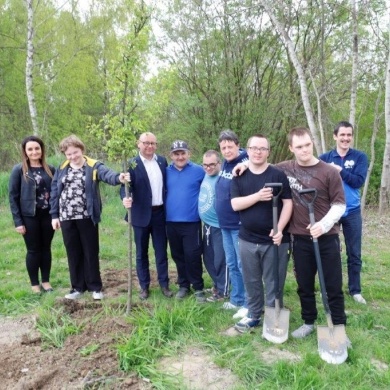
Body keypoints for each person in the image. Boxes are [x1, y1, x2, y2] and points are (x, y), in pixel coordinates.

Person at [234, 127, 347, 338]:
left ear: (312, 143)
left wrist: (323, 224)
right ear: (291, 148)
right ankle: (308, 321)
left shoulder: (329, 172)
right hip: (300, 237)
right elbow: (261, 164)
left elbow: (340, 205)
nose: (304, 150)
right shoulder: (285, 168)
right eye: (299, 146)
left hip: (327, 236)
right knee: (304, 284)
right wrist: (243, 164)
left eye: (307, 145)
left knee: (332, 285)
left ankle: (338, 328)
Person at [50, 135, 128, 300]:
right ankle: (77, 287)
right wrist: (54, 215)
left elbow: (108, 175)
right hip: (66, 218)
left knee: (90, 251)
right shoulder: (62, 167)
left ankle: (95, 287)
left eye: (75, 152)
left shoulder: (93, 166)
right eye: (69, 154)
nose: (72, 157)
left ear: (82, 150)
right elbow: (55, 192)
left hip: (87, 217)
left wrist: (119, 177)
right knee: (73, 252)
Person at [230, 134, 293, 333]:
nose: (258, 152)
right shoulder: (239, 175)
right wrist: (258, 196)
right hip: (247, 239)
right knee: (251, 279)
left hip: (275, 240)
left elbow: (288, 203)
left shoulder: (277, 175)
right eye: (254, 148)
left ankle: (274, 314)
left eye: (263, 148)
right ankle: (254, 314)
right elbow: (235, 204)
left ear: (268, 152)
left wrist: (280, 228)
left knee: (275, 279)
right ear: (247, 150)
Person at [319, 121, 368, 304]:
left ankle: (355, 290)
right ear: (335, 136)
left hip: (352, 211)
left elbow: (358, 181)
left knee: (354, 252)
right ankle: (331, 288)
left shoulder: (359, 157)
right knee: (330, 252)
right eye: (342, 135)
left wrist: (340, 171)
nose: (346, 138)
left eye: (349, 135)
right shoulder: (324, 158)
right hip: (331, 211)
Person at [121, 132, 173, 300]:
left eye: (153, 143)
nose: (150, 146)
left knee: (161, 251)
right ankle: (144, 286)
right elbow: (124, 186)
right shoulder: (131, 164)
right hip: (140, 214)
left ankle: (164, 284)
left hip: (159, 214)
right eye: (146, 143)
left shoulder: (162, 161)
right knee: (141, 253)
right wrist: (125, 198)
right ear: (139, 144)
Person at [9, 136, 56, 294]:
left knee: (46, 249)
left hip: (48, 215)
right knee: (33, 250)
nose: (34, 152)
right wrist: (18, 221)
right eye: (30, 149)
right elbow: (13, 197)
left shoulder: (50, 170)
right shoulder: (19, 170)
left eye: (37, 148)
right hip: (29, 216)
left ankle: (46, 281)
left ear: (42, 150)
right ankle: (34, 284)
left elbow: (56, 194)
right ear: (25, 152)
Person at [165, 140, 206, 303]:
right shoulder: (165, 171)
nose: (180, 157)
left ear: (189, 154)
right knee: (178, 255)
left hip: (192, 222)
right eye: (176, 154)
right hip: (170, 222)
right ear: (171, 155)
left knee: (193, 255)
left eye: (183, 153)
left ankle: (198, 287)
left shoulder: (199, 171)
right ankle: (183, 285)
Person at [215, 129, 249, 320]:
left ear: (238, 145)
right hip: (225, 224)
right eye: (223, 147)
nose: (227, 150)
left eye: (230, 146)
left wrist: (247, 161)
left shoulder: (245, 162)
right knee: (231, 263)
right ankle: (236, 298)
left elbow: (257, 161)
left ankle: (247, 302)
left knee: (242, 264)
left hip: (239, 224)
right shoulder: (226, 165)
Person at [198, 150, 228, 302]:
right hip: (207, 225)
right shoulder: (205, 175)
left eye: (212, 165)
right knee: (208, 258)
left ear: (219, 163)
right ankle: (217, 284)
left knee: (221, 260)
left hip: (220, 227)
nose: (208, 168)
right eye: (205, 165)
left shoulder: (223, 178)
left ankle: (223, 291)